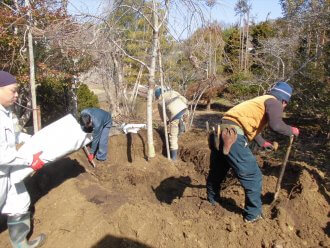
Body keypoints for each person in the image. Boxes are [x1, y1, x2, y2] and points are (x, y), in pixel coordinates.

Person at [206, 81, 300, 223]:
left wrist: (263, 143)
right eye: (286, 104)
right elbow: (276, 125)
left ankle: (212, 199)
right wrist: (292, 130)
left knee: (218, 169)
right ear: (284, 100)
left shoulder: (259, 101)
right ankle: (253, 215)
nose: (284, 106)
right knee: (253, 176)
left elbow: (246, 125)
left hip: (221, 132)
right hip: (233, 136)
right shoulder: (275, 102)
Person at [0, 71, 46, 247]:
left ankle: (20, 244)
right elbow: (2, 154)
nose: (17, 94)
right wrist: (29, 160)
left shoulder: (5, 113)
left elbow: (15, 136)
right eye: (13, 90)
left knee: (20, 201)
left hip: (6, 172)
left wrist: (37, 140)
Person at [155, 86, 188, 160]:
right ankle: (182, 124)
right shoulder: (172, 92)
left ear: (157, 95)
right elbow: (184, 99)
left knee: (172, 137)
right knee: (180, 120)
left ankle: (173, 158)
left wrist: (166, 122)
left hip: (175, 116)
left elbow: (162, 115)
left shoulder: (160, 100)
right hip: (185, 110)